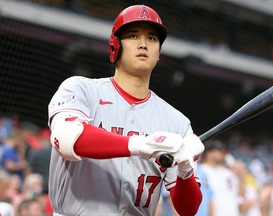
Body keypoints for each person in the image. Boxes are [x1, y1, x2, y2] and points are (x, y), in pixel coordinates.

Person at [48, 4, 205, 216]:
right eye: (132, 36)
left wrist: (185, 170)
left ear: (159, 53)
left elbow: (188, 210)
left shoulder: (176, 122)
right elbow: (66, 138)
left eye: (152, 38)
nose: (143, 44)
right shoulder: (81, 89)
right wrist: (141, 144)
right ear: (115, 46)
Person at [200, 140, 240, 216]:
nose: (222, 153)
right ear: (209, 153)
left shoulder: (228, 173)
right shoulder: (201, 171)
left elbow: (239, 194)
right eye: (218, 151)